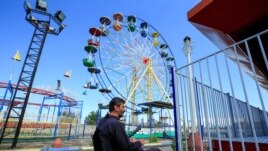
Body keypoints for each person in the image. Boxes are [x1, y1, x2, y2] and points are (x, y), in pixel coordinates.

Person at [93, 97, 161, 151]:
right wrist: (139, 142)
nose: (125, 110)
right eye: (123, 107)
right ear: (116, 108)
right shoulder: (115, 124)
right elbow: (127, 149)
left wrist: (129, 142)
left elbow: (111, 143)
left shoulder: (102, 122)